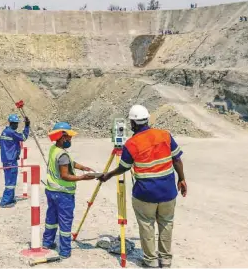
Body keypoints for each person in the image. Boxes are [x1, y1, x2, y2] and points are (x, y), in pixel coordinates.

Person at [99, 105, 187, 268]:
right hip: (168, 192)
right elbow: (177, 160)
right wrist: (182, 179)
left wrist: (108, 175)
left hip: (145, 194)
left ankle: (151, 261)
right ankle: (166, 260)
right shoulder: (165, 135)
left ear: (132, 123)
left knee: (146, 225)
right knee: (166, 224)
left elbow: (124, 167)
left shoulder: (131, 144)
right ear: (147, 119)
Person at [42, 122, 96, 259]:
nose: (70, 140)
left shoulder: (54, 149)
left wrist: (84, 167)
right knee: (65, 222)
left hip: (51, 190)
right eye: (69, 137)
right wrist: (83, 177)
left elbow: (70, 163)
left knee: (51, 218)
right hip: (63, 194)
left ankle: (47, 243)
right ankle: (65, 251)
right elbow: (65, 175)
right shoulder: (63, 155)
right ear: (61, 137)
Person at [0, 114, 30, 208]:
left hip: (6, 160)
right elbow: (23, 137)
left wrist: (7, 150)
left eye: (17, 123)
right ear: (11, 123)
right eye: (15, 124)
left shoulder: (4, 132)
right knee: (10, 182)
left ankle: (10, 198)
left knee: (10, 180)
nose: (16, 125)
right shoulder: (11, 132)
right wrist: (27, 126)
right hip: (11, 161)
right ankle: (5, 202)